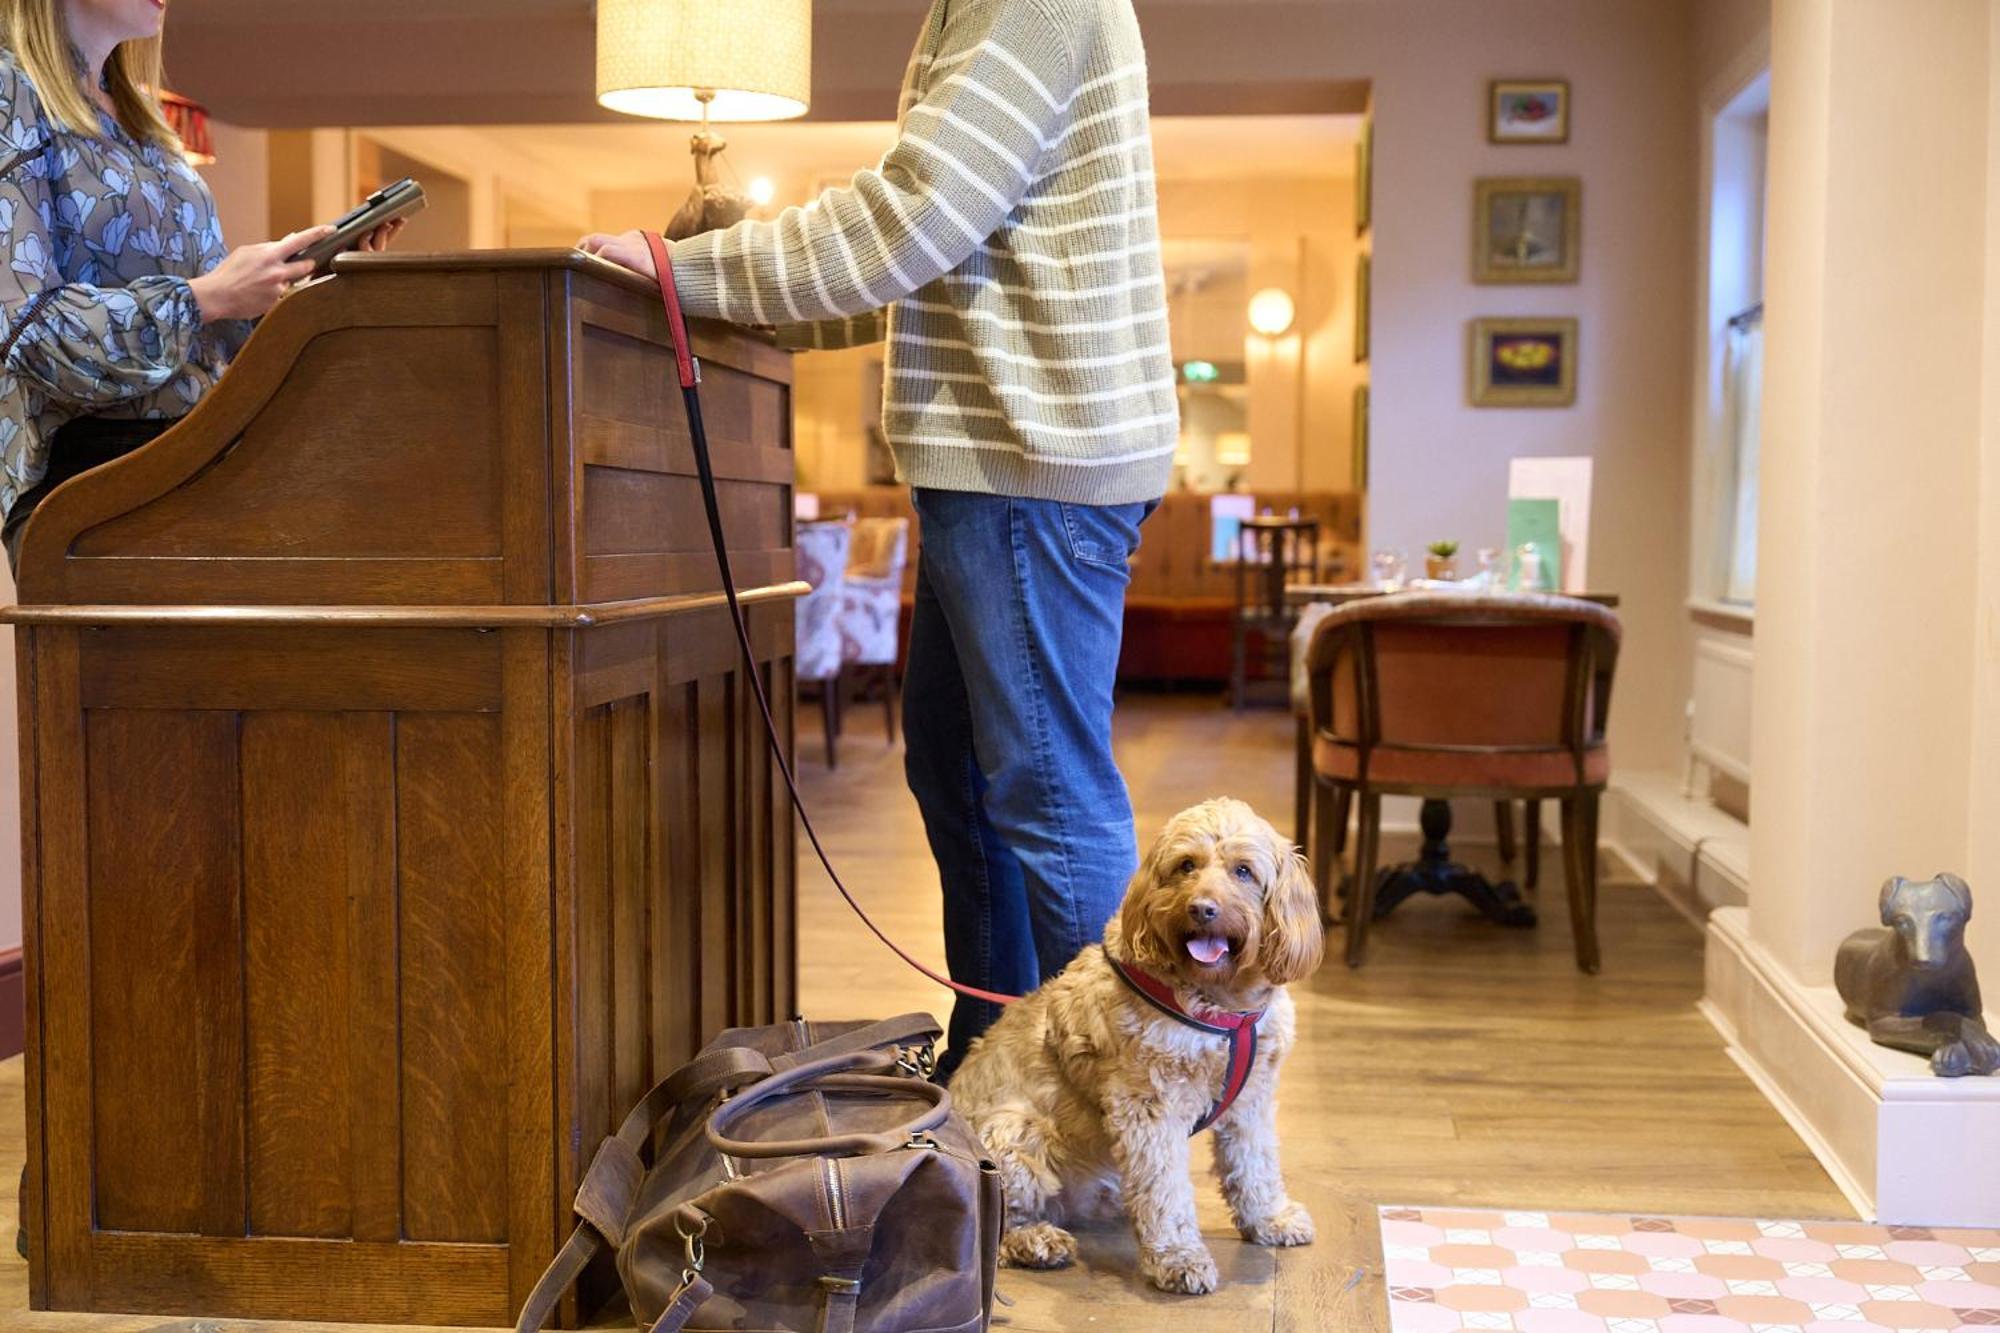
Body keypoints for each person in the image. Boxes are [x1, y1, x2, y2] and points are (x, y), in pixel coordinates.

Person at [582, 0, 1176, 1077]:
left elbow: (911, 219)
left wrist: (692, 273)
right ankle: (999, 1061)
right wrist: (723, 269)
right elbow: (931, 265)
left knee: (1045, 795)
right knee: (956, 773)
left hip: (1029, 468)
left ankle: (1104, 1114)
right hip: (1004, 469)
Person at [0, 0, 401, 569]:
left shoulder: (140, 115)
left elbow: (211, 327)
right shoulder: (9, 91)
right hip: (90, 473)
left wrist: (302, 280)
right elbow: (25, 328)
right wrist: (207, 296)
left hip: (202, 448)